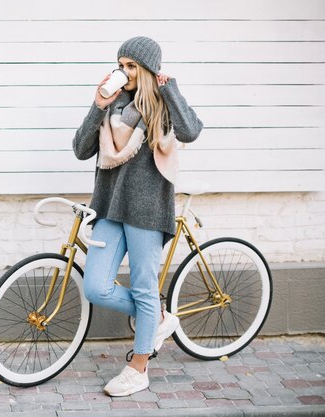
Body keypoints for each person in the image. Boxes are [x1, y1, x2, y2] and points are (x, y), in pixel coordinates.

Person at [72, 36, 203, 397]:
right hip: (110, 206)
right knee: (96, 286)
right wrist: (98, 105)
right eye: (121, 64)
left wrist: (170, 88)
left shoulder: (162, 105)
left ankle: (139, 367)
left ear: (146, 69)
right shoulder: (113, 106)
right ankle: (157, 318)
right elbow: (81, 149)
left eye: (132, 66)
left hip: (147, 210)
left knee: (146, 288)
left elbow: (191, 130)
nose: (124, 72)